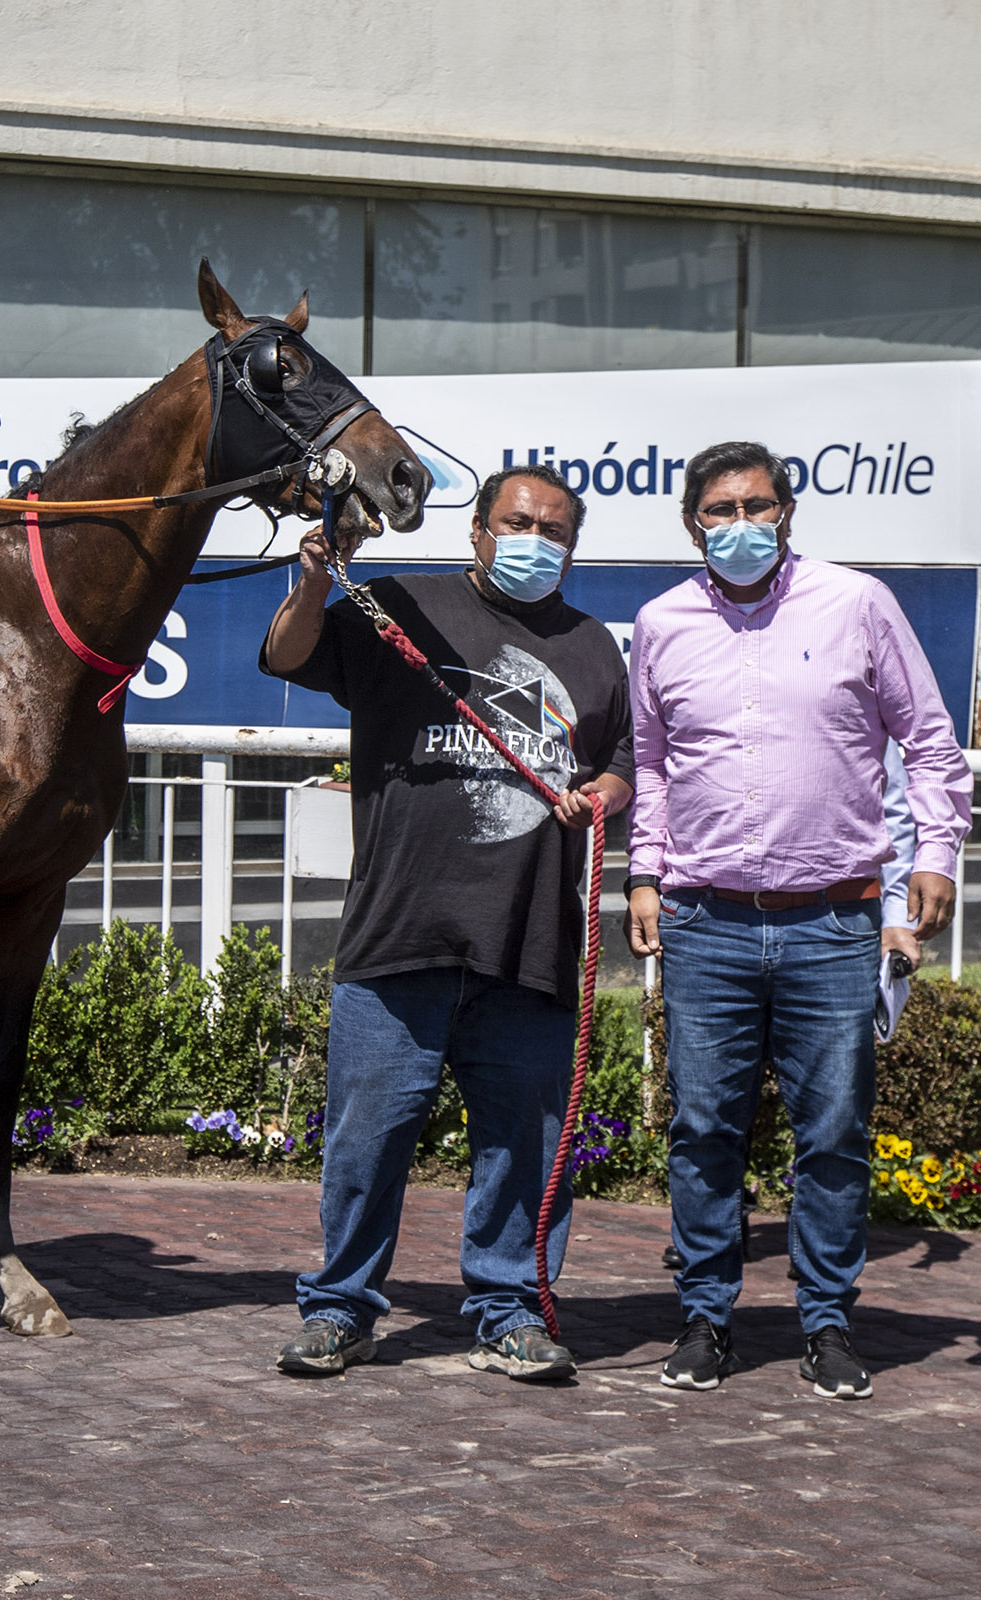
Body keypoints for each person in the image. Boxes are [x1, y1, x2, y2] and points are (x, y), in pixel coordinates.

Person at [259, 464, 634, 1384]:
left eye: (555, 531)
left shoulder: (593, 647)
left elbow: (621, 762)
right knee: (366, 1142)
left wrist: (604, 793)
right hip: (400, 933)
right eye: (518, 523)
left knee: (524, 1148)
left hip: (528, 940)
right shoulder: (402, 608)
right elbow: (291, 655)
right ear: (477, 530)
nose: (535, 542)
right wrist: (312, 581)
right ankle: (340, 1309)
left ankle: (510, 1312)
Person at [626, 440, 970, 1401]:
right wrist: (643, 876)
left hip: (833, 923)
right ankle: (705, 1317)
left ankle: (826, 1322)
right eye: (720, 510)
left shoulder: (857, 603)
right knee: (703, 1129)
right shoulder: (661, 622)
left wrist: (935, 856)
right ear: (692, 524)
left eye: (757, 506)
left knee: (833, 1134)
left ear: (787, 512)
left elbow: (930, 743)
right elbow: (651, 764)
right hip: (705, 920)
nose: (740, 524)